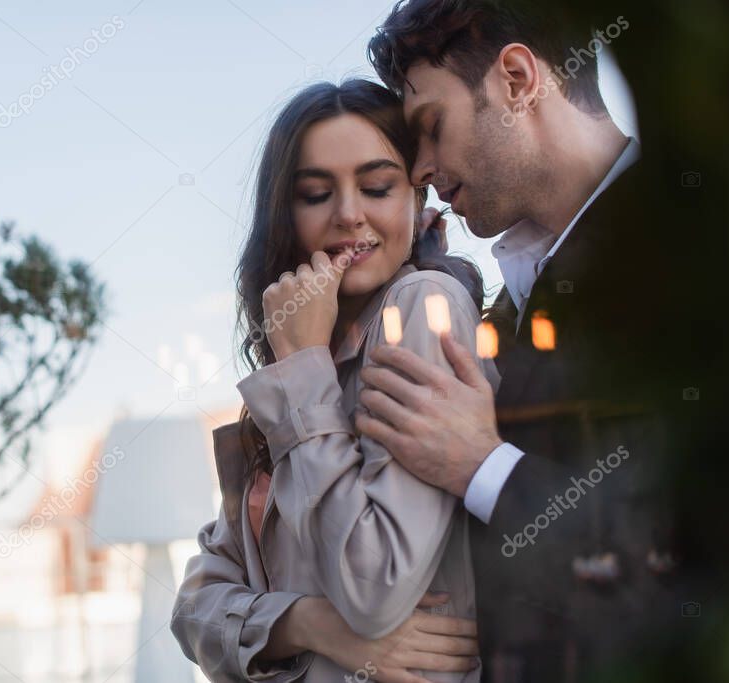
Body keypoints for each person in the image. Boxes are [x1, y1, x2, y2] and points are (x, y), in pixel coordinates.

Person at [347, 0, 703, 680]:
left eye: (431, 127)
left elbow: (698, 556)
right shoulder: (506, 290)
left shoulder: (696, 258)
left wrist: (482, 465)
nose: (418, 168)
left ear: (516, 78)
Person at [171, 78, 495, 682]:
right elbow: (193, 609)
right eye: (317, 193)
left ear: (416, 198)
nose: (349, 214)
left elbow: (375, 586)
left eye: (376, 186)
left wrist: (301, 375)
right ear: (284, 214)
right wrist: (308, 624)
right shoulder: (304, 350)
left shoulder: (421, 307)